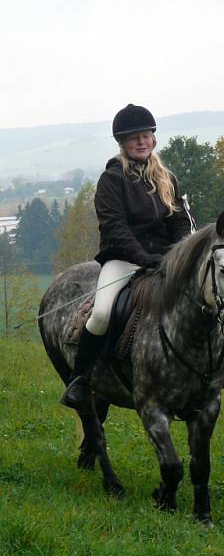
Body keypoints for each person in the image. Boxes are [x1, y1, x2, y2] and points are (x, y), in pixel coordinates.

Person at [61, 104, 192, 410]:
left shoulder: (167, 178)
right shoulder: (111, 180)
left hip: (166, 259)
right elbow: (115, 228)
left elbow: (181, 221)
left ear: (153, 139)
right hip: (123, 260)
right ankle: (79, 380)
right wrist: (145, 258)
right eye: (134, 138)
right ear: (122, 143)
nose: (141, 142)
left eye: (146, 136)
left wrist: (180, 254)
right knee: (103, 313)